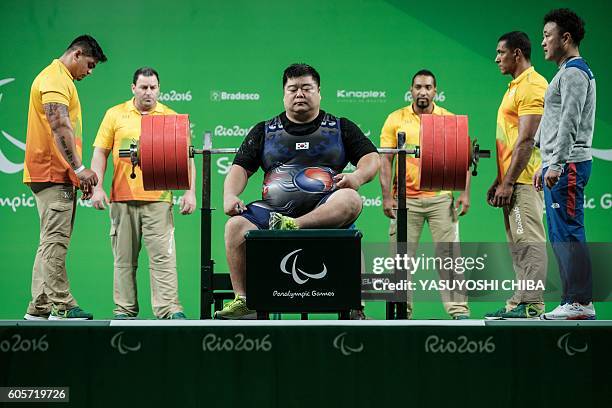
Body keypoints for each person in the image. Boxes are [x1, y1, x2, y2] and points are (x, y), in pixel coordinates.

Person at [215, 63, 379, 319]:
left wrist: (357, 176)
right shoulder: (264, 130)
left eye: (306, 88)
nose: (299, 94)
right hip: (273, 212)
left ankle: (294, 224)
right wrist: (229, 195)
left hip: (326, 206)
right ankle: (244, 301)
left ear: (319, 92)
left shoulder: (340, 127)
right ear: (283, 94)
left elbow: (371, 158)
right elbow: (240, 169)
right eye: (293, 89)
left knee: (351, 199)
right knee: (234, 227)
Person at [90, 67, 196, 319]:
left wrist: (190, 193)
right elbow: (99, 152)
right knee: (124, 261)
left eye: (153, 87)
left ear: (159, 89)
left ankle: (170, 309)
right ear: (133, 88)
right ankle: (124, 311)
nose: (149, 92)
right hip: (122, 199)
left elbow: (187, 158)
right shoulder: (114, 114)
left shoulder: (171, 117)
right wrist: (97, 187)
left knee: (163, 259)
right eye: (144, 87)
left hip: (158, 201)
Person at [23, 35, 107, 320]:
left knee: (49, 241)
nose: (90, 72)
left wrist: (75, 173)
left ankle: (39, 306)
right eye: (90, 65)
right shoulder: (56, 78)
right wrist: (80, 168)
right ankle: (63, 304)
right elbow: (59, 124)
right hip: (51, 172)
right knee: (55, 241)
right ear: (77, 54)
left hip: (57, 173)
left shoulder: (60, 79)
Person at [379, 69, 471, 320]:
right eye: (418, 87)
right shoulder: (395, 119)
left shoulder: (448, 119)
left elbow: (462, 158)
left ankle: (459, 311)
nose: (423, 92)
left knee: (449, 256)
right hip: (405, 200)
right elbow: (385, 160)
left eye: (428, 87)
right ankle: (402, 313)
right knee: (401, 259)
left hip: (440, 198)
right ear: (411, 89)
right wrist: (387, 196)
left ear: (435, 91)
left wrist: (464, 193)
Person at [534, 9, 596, 320]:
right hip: (559, 163)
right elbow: (553, 121)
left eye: (547, 35)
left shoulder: (573, 73)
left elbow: (570, 122)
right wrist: (544, 162)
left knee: (569, 232)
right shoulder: (566, 72)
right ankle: (573, 299)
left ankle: (581, 302)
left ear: (565, 38)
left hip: (568, 165)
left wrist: (555, 163)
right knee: (560, 235)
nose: (543, 41)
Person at [484, 32, 549, 320]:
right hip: (512, 180)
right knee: (518, 245)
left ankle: (533, 303)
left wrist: (509, 181)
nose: (497, 58)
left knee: (529, 242)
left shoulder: (533, 85)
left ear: (518, 54)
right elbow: (509, 142)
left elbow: (526, 141)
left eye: (501, 52)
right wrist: (499, 180)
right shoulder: (514, 87)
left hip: (525, 180)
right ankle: (519, 302)